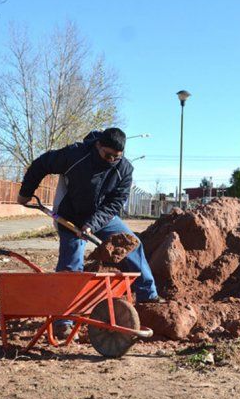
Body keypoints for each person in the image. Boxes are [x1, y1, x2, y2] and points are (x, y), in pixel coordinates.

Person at [16, 128, 160, 312]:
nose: (111, 160)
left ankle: (148, 297)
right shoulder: (75, 154)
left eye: (116, 157)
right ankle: (65, 317)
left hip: (102, 216)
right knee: (71, 264)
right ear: (98, 145)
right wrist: (25, 193)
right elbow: (41, 164)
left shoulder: (124, 169)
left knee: (132, 244)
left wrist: (92, 224)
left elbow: (115, 203)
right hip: (71, 216)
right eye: (108, 155)